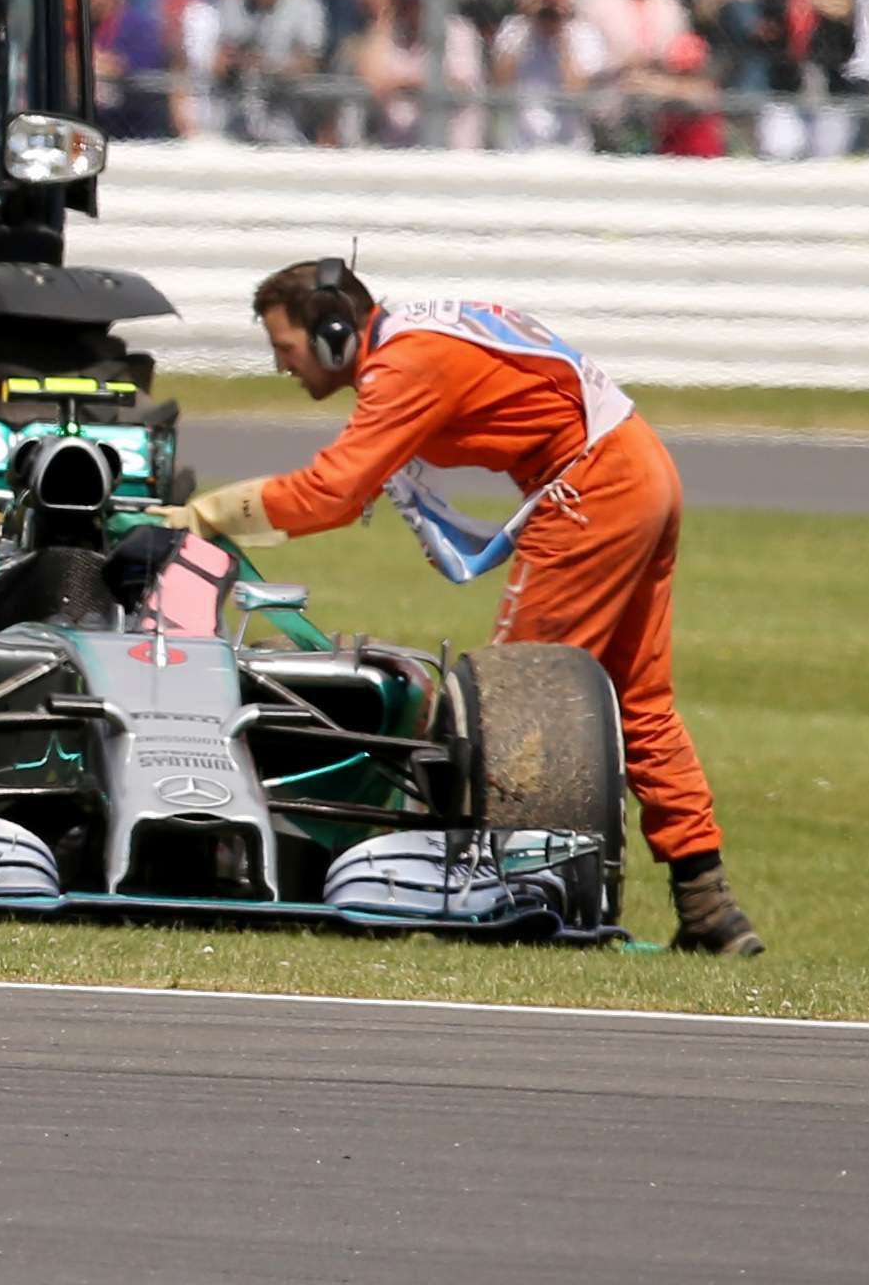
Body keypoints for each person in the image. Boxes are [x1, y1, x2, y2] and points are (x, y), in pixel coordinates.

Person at [177, 266, 761, 954]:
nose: (279, 364)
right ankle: (709, 906)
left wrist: (210, 512)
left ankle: (513, 902)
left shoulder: (405, 362)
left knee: (510, 699)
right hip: (637, 469)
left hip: (592, 488)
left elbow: (334, 492)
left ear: (335, 336)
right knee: (638, 703)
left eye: (285, 346)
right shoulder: (415, 338)